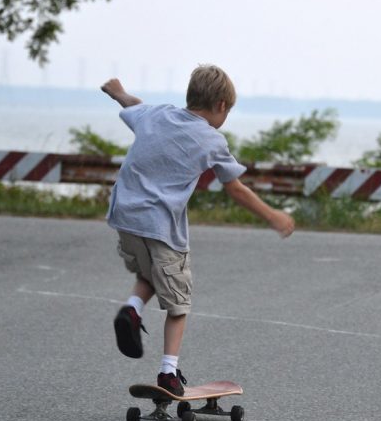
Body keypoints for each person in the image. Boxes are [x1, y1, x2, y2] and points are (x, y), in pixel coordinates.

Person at [102, 64, 294, 395]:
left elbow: (132, 104)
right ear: (221, 106)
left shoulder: (157, 114)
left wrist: (116, 90)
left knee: (150, 274)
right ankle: (168, 372)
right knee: (179, 303)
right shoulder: (211, 139)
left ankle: (132, 309)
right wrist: (272, 215)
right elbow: (235, 189)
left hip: (124, 216)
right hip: (161, 224)